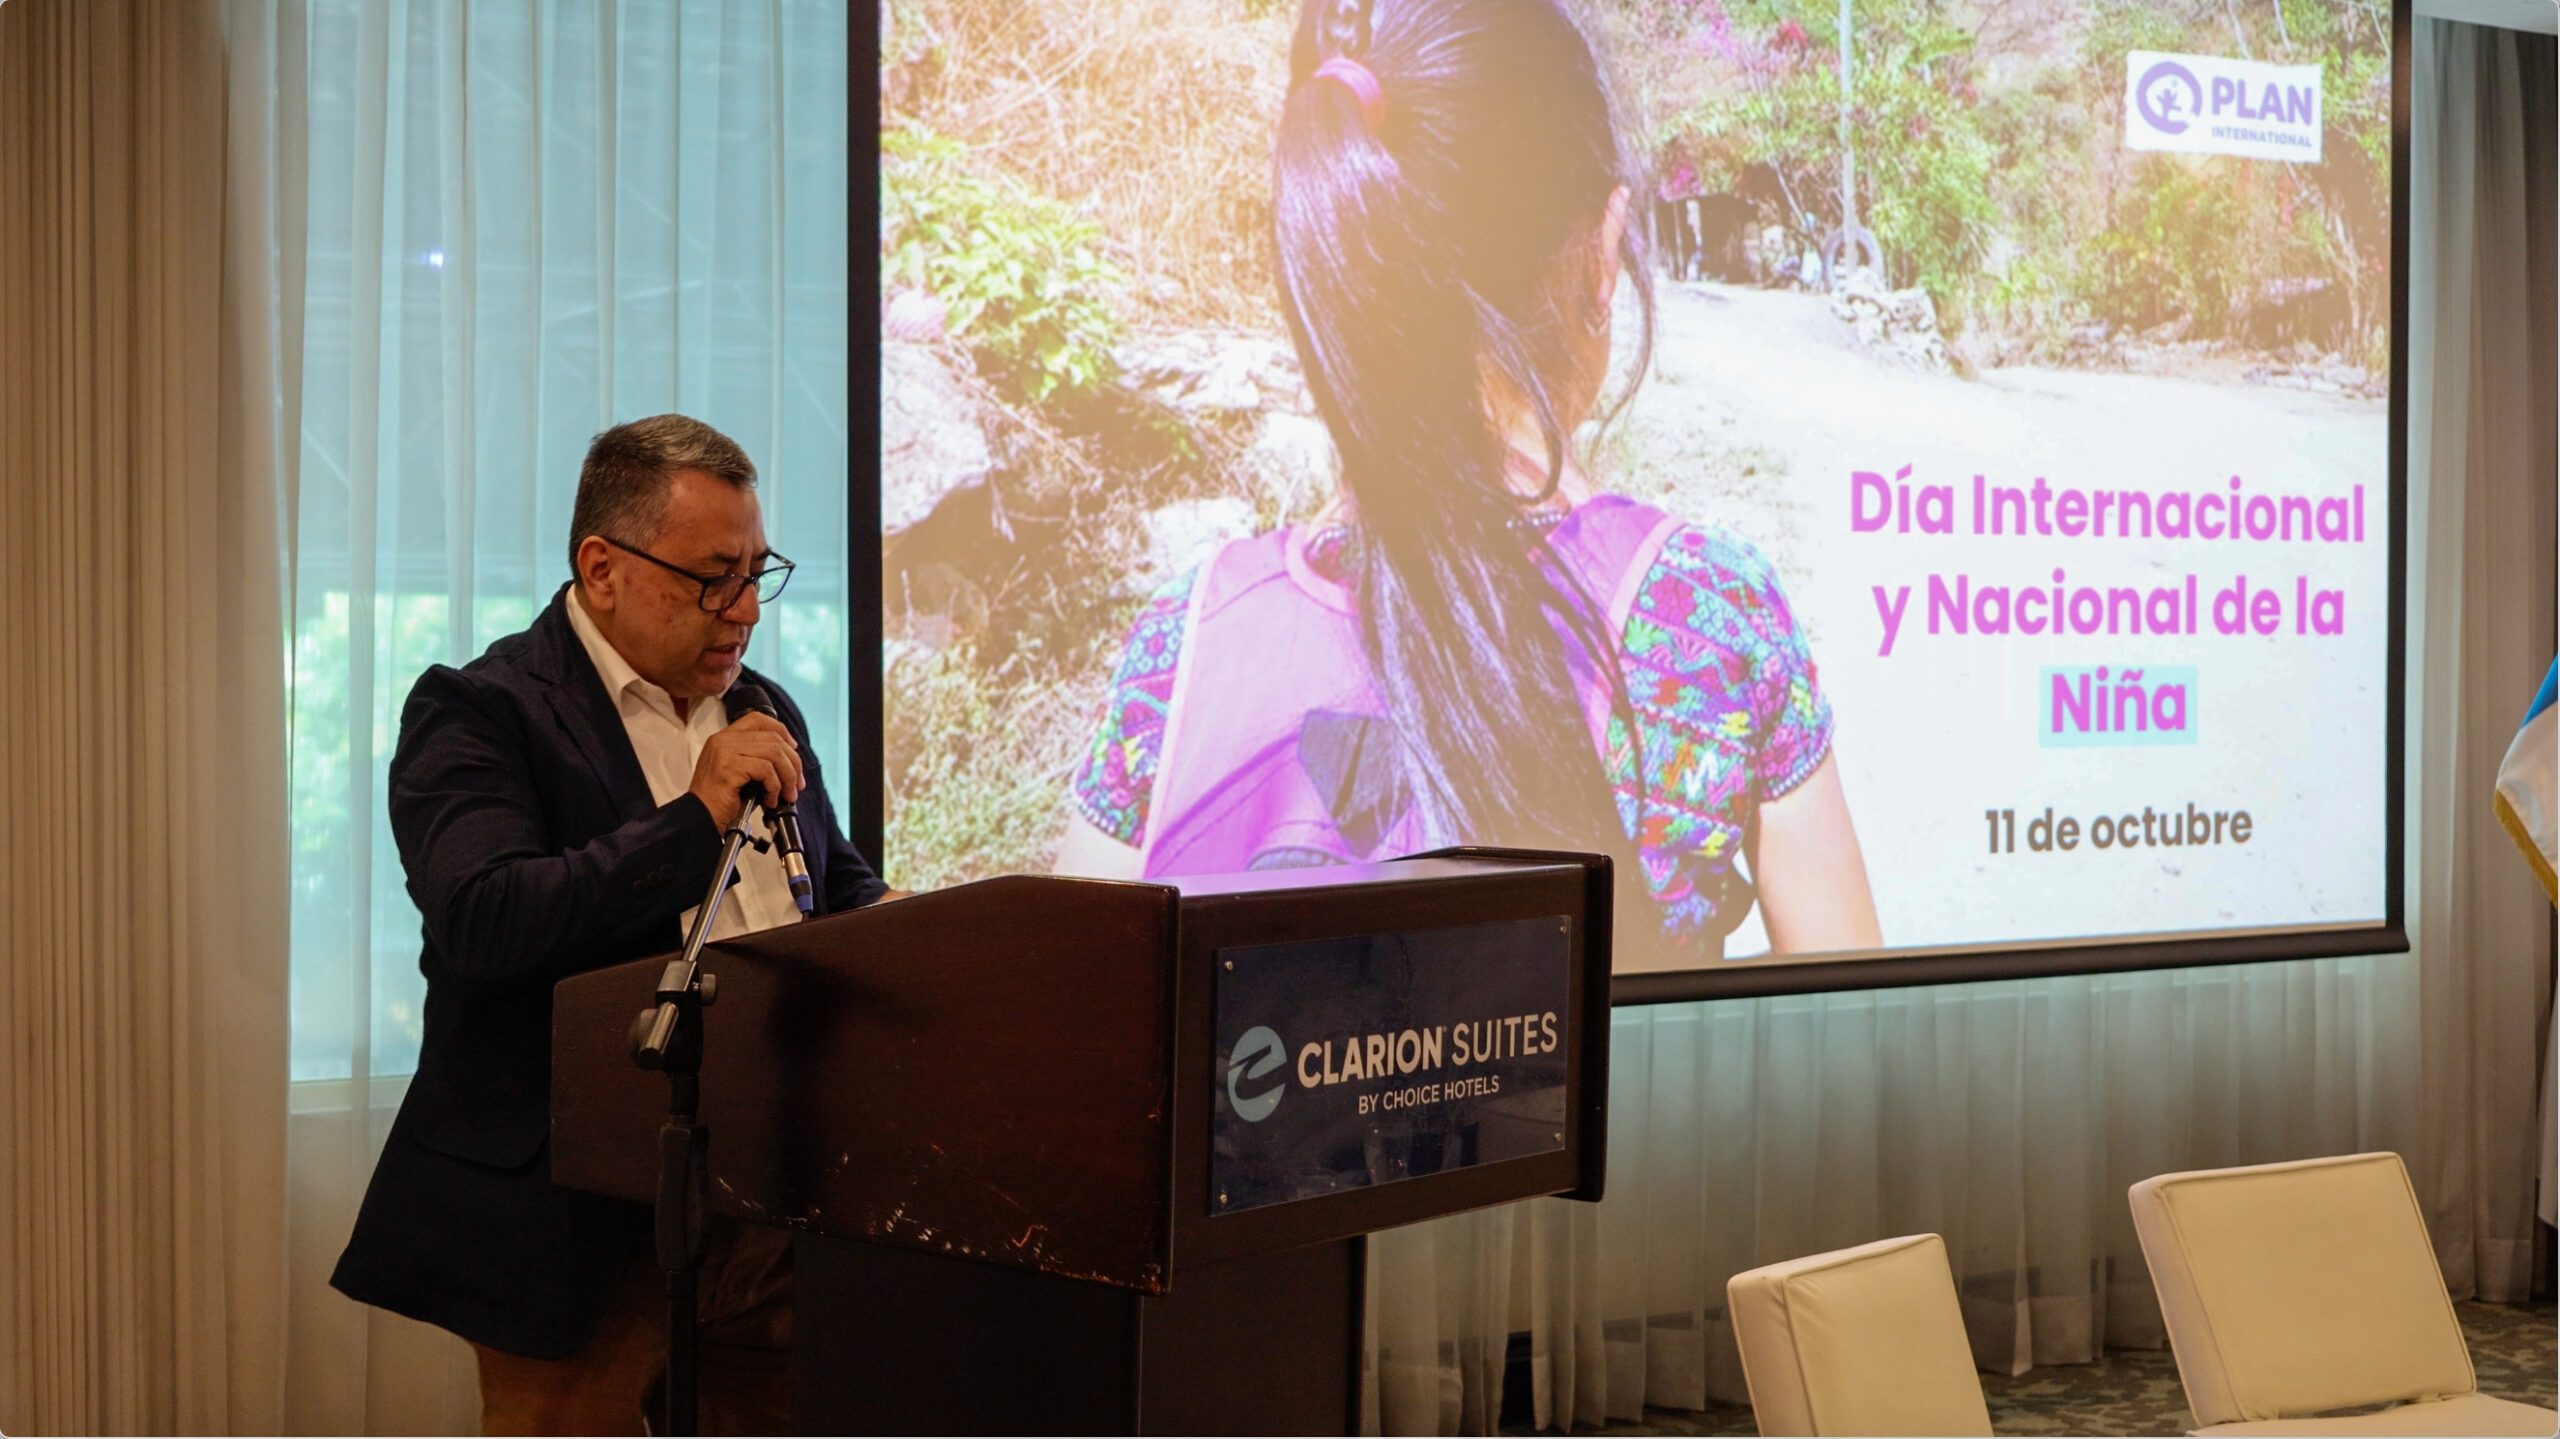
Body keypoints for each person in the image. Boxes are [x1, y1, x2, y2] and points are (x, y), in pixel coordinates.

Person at [1057, 0, 1879, 967]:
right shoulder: (1703, 617)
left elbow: (1065, 1045)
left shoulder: (1185, 645)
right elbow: (1852, 1053)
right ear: (1604, 250)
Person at [330, 414, 893, 1434]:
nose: (743, 612)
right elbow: (486, 917)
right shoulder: (482, 710)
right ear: (603, 567)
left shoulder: (762, 705)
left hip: (769, 1202)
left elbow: (833, 892)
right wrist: (695, 816)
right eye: (712, 576)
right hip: (573, 1211)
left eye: (758, 575)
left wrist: (940, 933)